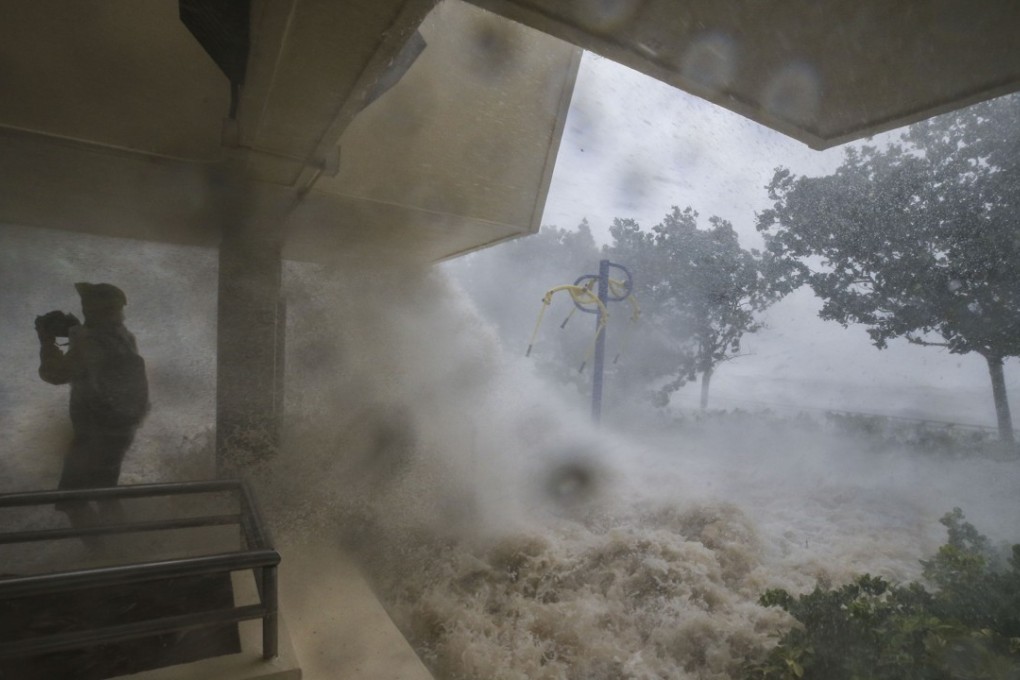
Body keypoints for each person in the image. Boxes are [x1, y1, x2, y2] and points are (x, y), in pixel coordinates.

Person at [36, 282, 149, 540]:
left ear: (92, 308)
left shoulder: (91, 342)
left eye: (87, 305)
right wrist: (76, 330)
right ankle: (128, 549)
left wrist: (46, 342)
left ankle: (101, 554)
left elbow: (55, 374)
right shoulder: (123, 336)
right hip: (119, 430)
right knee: (105, 494)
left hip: (93, 434)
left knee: (71, 501)